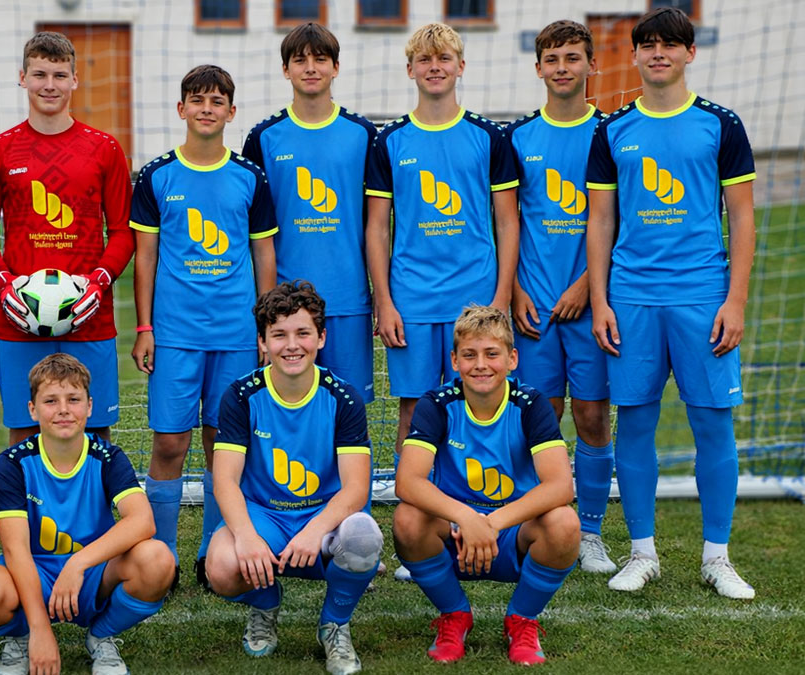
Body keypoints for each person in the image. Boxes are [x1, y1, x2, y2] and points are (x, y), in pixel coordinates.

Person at [585, 7, 757, 598]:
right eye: (649, 44)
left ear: (690, 53)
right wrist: (601, 300)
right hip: (632, 298)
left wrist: (735, 301)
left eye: (670, 44)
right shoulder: (613, 129)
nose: (658, 53)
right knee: (634, 421)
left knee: (713, 422)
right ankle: (642, 553)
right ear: (633, 54)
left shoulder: (721, 124)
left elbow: (742, 216)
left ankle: (717, 558)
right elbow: (600, 220)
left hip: (702, 296)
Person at [365, 22, 520, 581]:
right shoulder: (389, 141)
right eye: (425, 59)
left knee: (477, 409)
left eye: (444, 58)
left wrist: (499, 299)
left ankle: (478, 522)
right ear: (410, 69)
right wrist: (384, 301)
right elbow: (376, 227)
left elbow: (508, 222)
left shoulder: (489, 137)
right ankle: (424, 538)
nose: (435, 67)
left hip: (473, 303)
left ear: (460, 66)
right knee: (415, 412)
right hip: (411, 301)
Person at [129, 64, 277, 580]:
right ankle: (163, 554)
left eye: (217, 101)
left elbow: (264, 255)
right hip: (175, 335)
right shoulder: (156, 176)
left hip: (235, 334)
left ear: (231, 112)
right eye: (197, 100)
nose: (207, 109)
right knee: (170, 442)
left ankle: (215, 550)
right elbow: (145, 258)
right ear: (181, 108)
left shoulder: (249, 177)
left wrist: (265, 329)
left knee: (223, 444)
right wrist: (145, 328)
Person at [205, 281, 381, 675]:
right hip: (264, 516)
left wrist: (315, 530)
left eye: (303, 333)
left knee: (364, 538)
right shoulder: (240, 396)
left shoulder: (344, 398)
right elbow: (225, 481)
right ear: (262, 342)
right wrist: (246, 536)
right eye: (279, 335)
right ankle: (265, 602)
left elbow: (356, 488)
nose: (291, 345)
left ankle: (334, 625)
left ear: (321, 337)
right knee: (221, 567)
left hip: (322, 516)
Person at [0, 353, 175, 675]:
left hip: (92, 572)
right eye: (50, 401)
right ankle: (23, 637)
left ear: (89, 406)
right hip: (35, 570)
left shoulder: (108, 457)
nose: (63, 409)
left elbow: (142, 521)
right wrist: (41, 630)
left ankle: (101, 636)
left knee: (157, 560)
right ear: (32, 409)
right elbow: (15, 550)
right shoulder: (13, 463)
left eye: (73, 399)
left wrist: (78, 563)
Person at [0, 31, 134, 445]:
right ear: (22, 77)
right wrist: (4, 284)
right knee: (25, 432)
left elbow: (122, 233)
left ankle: (92, 494)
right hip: (19, 317)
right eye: (40, 74)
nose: (49, 85)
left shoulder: (105, 149)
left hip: (89, 315)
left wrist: (98, 283)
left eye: (59, 75)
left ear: (75, 80)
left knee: (94, 431)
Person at [393, 305, 579, 666]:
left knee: (564, 523)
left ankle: (521, 620)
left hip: (512, 531)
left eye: (492, 354)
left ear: (512, 359)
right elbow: (408, 481)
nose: (481, 364)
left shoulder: (531, 405)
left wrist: (491, 523)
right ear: (454, 360)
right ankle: (454, 615)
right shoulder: (437, 404)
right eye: (469, 355)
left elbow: (560, 486)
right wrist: (467, 518)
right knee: (407, 519)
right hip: (455, 533)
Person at [505, 21, 615, 574]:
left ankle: (590, 533)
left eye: (573, 57)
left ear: (592, 64)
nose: (563, 67)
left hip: (591, 304)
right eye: (552, 59)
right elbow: (505, 222)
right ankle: (539, 525)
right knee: (539, 419)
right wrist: (515, 290)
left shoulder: (611, 132)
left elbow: (618, 220)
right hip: (533, 309)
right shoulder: (517, 138)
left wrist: (586, 288)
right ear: (538, 68)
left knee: (592, 417)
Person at [241, 22, 378, 405]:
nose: (311, 68)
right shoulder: (264, 137)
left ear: (336, 67)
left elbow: (378, 223)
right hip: (285, 305)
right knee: (286, 407)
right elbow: (255, 232)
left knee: (349, 409)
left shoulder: (363, 134)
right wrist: (264, 304)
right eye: (300, 60)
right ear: (286, 70)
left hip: (349, 299)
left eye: (320, 59)